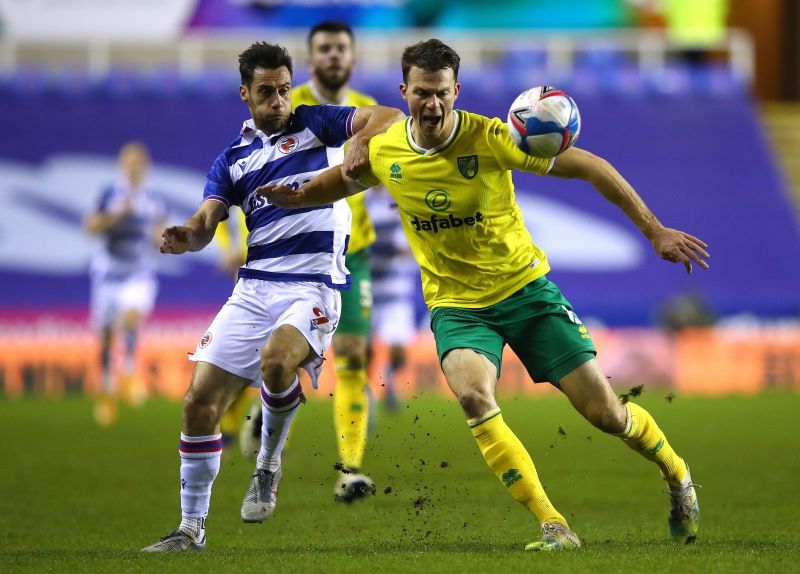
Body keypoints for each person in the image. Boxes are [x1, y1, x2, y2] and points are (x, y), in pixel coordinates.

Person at [258, 39, 710, 552]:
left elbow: (590, 166)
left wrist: (654, 231)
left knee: (607, 414)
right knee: (474, 395)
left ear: (458, 91)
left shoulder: (493, 139)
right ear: (405, 92)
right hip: (457, 307)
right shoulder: (386, 150)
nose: (432, 105)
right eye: (422, 93)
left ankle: (677, 475)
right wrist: (292, 196)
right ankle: (553, 524)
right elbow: (337, 183)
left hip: (526, 292)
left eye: (443, 93)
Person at [140, 42, 403, 553]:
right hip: (255, 286)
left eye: (284, 88)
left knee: (277, 362)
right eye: (267, 92)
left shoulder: (316, 122)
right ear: (245, 94)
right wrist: (186, 238)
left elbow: (389, 116)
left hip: (313, 285)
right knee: (198, 404)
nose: (280, 100)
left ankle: (268, 465)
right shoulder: (231, 161)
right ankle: (191, 529)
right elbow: (205, 222)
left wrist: (359, 142)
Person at [239, 21, 385, 501]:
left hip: (352, 253)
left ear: (352, 57)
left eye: (341, 48)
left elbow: (395, 158)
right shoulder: (286, 103)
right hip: (290, 260)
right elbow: (239, 177)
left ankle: (350, 469)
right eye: (324, 48)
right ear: (311, 57)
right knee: (276, 359)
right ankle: (263, 412)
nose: (333, 55)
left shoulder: (364, 112)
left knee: (354, 356)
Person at [84, 141, 167, 426]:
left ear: (144, 167)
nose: (134, 167)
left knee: (132, 316)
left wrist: (162, 240)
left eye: (139, 163)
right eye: (129, 162)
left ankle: (130, 369)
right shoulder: (110, 193)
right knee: (106, 335)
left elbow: (159, 233)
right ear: (122, 165)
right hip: (108, 272)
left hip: (138, 271)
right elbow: (90, 227)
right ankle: (108, 388)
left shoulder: (153, 198)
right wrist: (116, 215)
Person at [364, 184, 421, 409]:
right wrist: (388, 248)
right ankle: (367, 392)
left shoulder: (400, 197)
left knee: (400, 351)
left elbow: (411, 242)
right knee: (364, 349)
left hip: (396, 289)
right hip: (368, 287)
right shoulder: (360, 200)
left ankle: (388, 375)